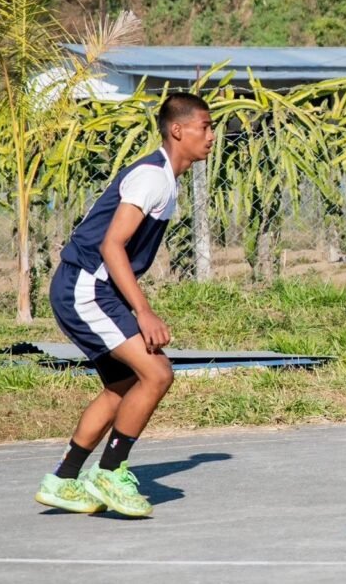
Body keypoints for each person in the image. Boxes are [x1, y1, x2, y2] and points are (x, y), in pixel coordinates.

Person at [34, 92, 215, 517]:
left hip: (87, 287)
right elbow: (111, 245)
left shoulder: (165, 178)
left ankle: (63, 480)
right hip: (86, 288)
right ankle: (110, 472)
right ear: (178, 130)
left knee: (124, 386)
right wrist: (143, 312)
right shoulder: (152, 177)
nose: (211, 136)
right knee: (157, 372)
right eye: (205, 127)